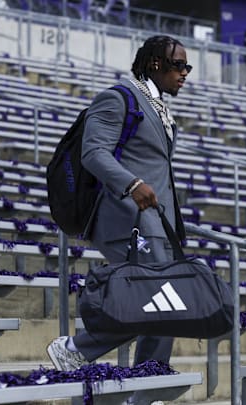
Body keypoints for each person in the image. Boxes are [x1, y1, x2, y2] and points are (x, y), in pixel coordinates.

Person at [46, 35, 190, 382]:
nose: (185, 73)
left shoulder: (158, 106)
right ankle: (77, 349)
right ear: (155, 63)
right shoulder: (117, 98)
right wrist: (131, 184)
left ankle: (146, 384)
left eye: (187, 67)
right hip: (126, 220)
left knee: (166, 304)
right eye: (179, 66)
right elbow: (94, 153)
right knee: (159, 297)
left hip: (159, 223)